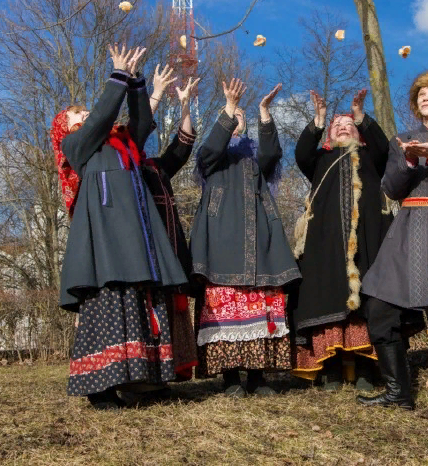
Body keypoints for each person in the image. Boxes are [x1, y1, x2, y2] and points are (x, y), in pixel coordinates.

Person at [52, 44, 188, 409]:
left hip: (140, 239)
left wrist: (136, 82)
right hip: (107, 247)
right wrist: (117, 76)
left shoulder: (124, 144)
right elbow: (99, 119)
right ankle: (100, 386)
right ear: (66, 128)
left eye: (84, 113)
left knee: (142, 302)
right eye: (77, 115)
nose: (86, 118)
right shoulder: (77, 146)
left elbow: (142, 122)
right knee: (108, 302)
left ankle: (143, 382)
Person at [358, 69, 428, 410]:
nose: (425, 97)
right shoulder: (401, 138)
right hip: (405, 228)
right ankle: (398, 391)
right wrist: (407, 158)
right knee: (377, 299)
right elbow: (389, 188)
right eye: (420, 94)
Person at [190, 79, 300, 396]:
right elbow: (209, 151)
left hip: (259, 238)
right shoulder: (211, 156)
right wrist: (228, 106)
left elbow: (272, 155)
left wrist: (264, 112)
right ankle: (229, 378)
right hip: (220, 238)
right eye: (229, 117)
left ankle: (256, 378)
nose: (235, 120)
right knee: (223, 305)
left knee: (259, 306)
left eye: (240, 116)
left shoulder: (254, 160)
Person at [289, 88, 390, 390]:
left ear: (359, 134)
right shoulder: (321, 159)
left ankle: (365, 371)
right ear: (329, 136)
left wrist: (360, 114)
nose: (344, 127)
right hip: (325, 242)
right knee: (328, 299)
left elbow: (385, 148)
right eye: (338, 126)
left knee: (367, 302)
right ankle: (330, 369)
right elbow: (301, 154)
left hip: (368, 239)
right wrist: (319, 119)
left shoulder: (372, 155)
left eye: (350, 125)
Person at [140, 66, 201, 382]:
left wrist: (184, 104)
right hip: (145, 255)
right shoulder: (124, 166)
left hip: (170, 251)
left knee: (173, 311)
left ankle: (174, 370)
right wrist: (156, 93)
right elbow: (135, 131)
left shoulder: (157, 166)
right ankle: (152, 373)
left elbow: (184, 142)